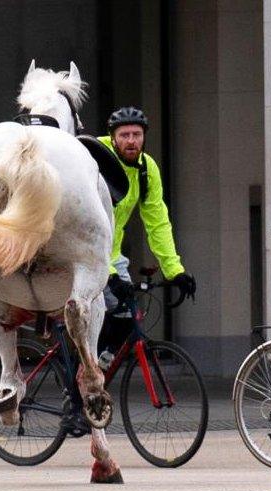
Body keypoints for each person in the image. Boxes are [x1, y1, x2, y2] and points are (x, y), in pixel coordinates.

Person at [95, 107, 196, 359]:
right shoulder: (95, 158)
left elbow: (157, 223)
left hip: (112, 253)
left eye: (137, 134)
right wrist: (107, 275)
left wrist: (175, 271)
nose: (131, 141)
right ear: (112, 137)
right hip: (85, 251)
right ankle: (80, 375)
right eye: (124, 135)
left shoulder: (146, 168)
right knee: (90, 315)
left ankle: (98, 367)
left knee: (128, 314)